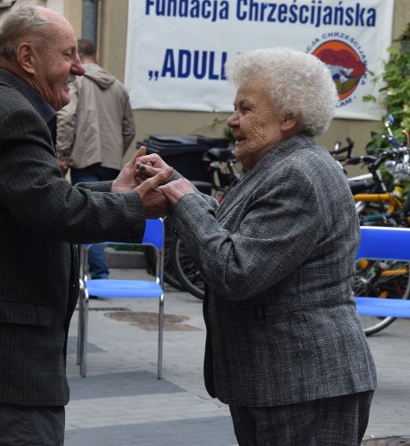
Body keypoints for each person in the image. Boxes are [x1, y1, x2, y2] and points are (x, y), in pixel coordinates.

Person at [0, 0, 173, 446]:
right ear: (27, 57)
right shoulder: (11, 115)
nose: (79, 68)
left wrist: (116, 194)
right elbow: (58, 212)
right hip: (4, 365)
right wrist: (136, 205)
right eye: (67, 56)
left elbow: (37, 198)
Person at [155, 48, 377, 446]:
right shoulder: (279, 164)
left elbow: (236, 270)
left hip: (304, 384)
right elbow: (234, 232)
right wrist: (175, 186)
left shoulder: (298, 174)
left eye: (245, 108)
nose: (232, 120)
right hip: (283, 382)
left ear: (289, 117)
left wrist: (183, 201)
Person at [56, 38, 136, 280]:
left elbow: (67, 117)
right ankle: (97, 272)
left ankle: (97, 273)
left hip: (84, 156)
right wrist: (115, 152)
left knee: (86, 216)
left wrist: (61, 154)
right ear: (97, 58)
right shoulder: (119, 86)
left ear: (77, 57)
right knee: (103, 214)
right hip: (110, 161)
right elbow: (129, 128)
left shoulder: (76, 81)